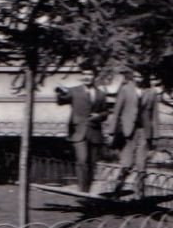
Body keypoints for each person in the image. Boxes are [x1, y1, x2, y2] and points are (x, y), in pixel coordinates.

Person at [109, 70, 160, 198]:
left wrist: (155, 137)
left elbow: (155, 116)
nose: (139, 78)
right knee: (127, 164)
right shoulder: (125, 89)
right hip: (128, 133)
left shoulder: (152, 92)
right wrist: (111, 133)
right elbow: (117, 113)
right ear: (133, 76)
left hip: (144, 132)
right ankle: (117, 191)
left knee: (141, 166)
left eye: (141, 75)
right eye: (136, 75)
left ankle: (139, 196)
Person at [57, 78, 108, 193]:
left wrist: (99, 116)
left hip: (95, 133)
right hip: (78, 132)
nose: (87, 76)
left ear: (94, 76)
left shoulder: (100, 93)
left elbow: (105, 112)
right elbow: (61, 101)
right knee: (82, 161)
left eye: (89, 74)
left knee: (91, 164)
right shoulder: (74, 91)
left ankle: (87, 191)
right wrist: (60, 92)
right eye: (84, 74)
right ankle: (82, 191)